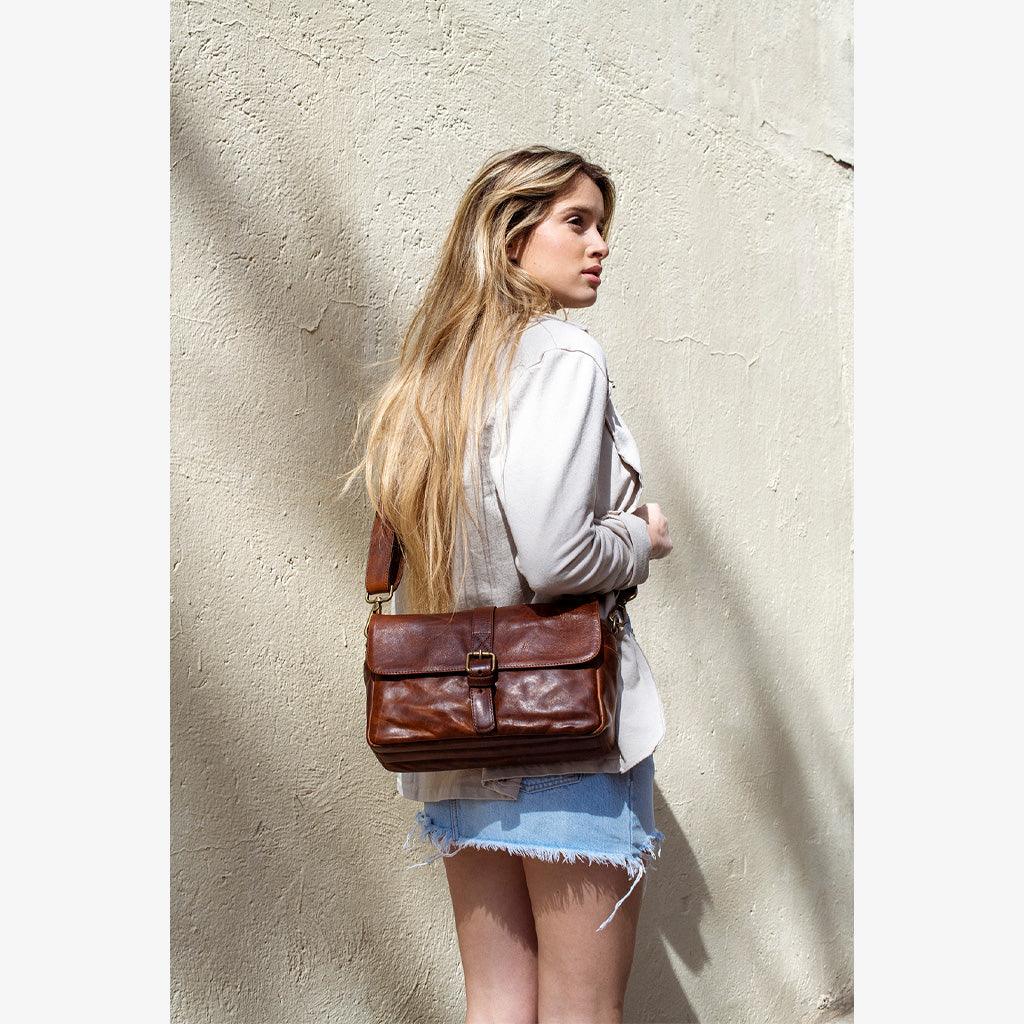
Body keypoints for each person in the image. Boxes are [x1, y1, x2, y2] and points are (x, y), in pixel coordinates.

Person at [341, 145, 673, 1024]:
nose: (600, 244)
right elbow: (559, 558)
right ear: (510, 234)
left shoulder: (434, 377)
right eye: (577, 222)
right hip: (563, 729)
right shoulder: (562, 355)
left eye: (602, 225)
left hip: (453, 734)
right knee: (580, 1011)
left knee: (496, 1003)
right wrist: (639, 538)